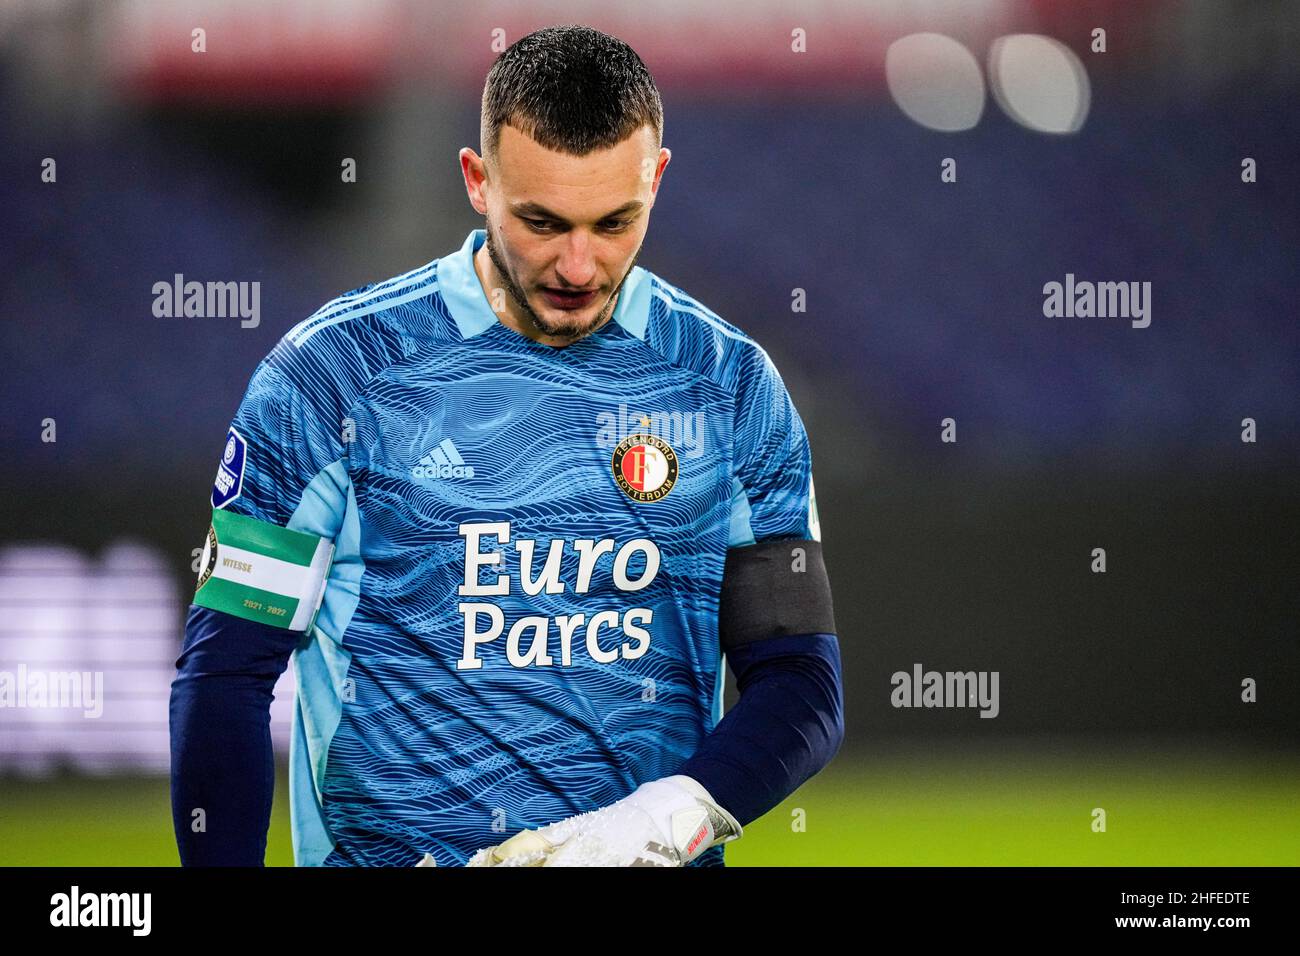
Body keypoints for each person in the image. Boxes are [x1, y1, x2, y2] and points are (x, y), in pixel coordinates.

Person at [170, 23, 843, 868]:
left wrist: (657, 822)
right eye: (542, 220)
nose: (578, 264)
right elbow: (227, 673)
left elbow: (802, 690)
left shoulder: (731, 386)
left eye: (614, 222)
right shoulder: (331, 376)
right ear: (476, 181)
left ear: (657, 178)